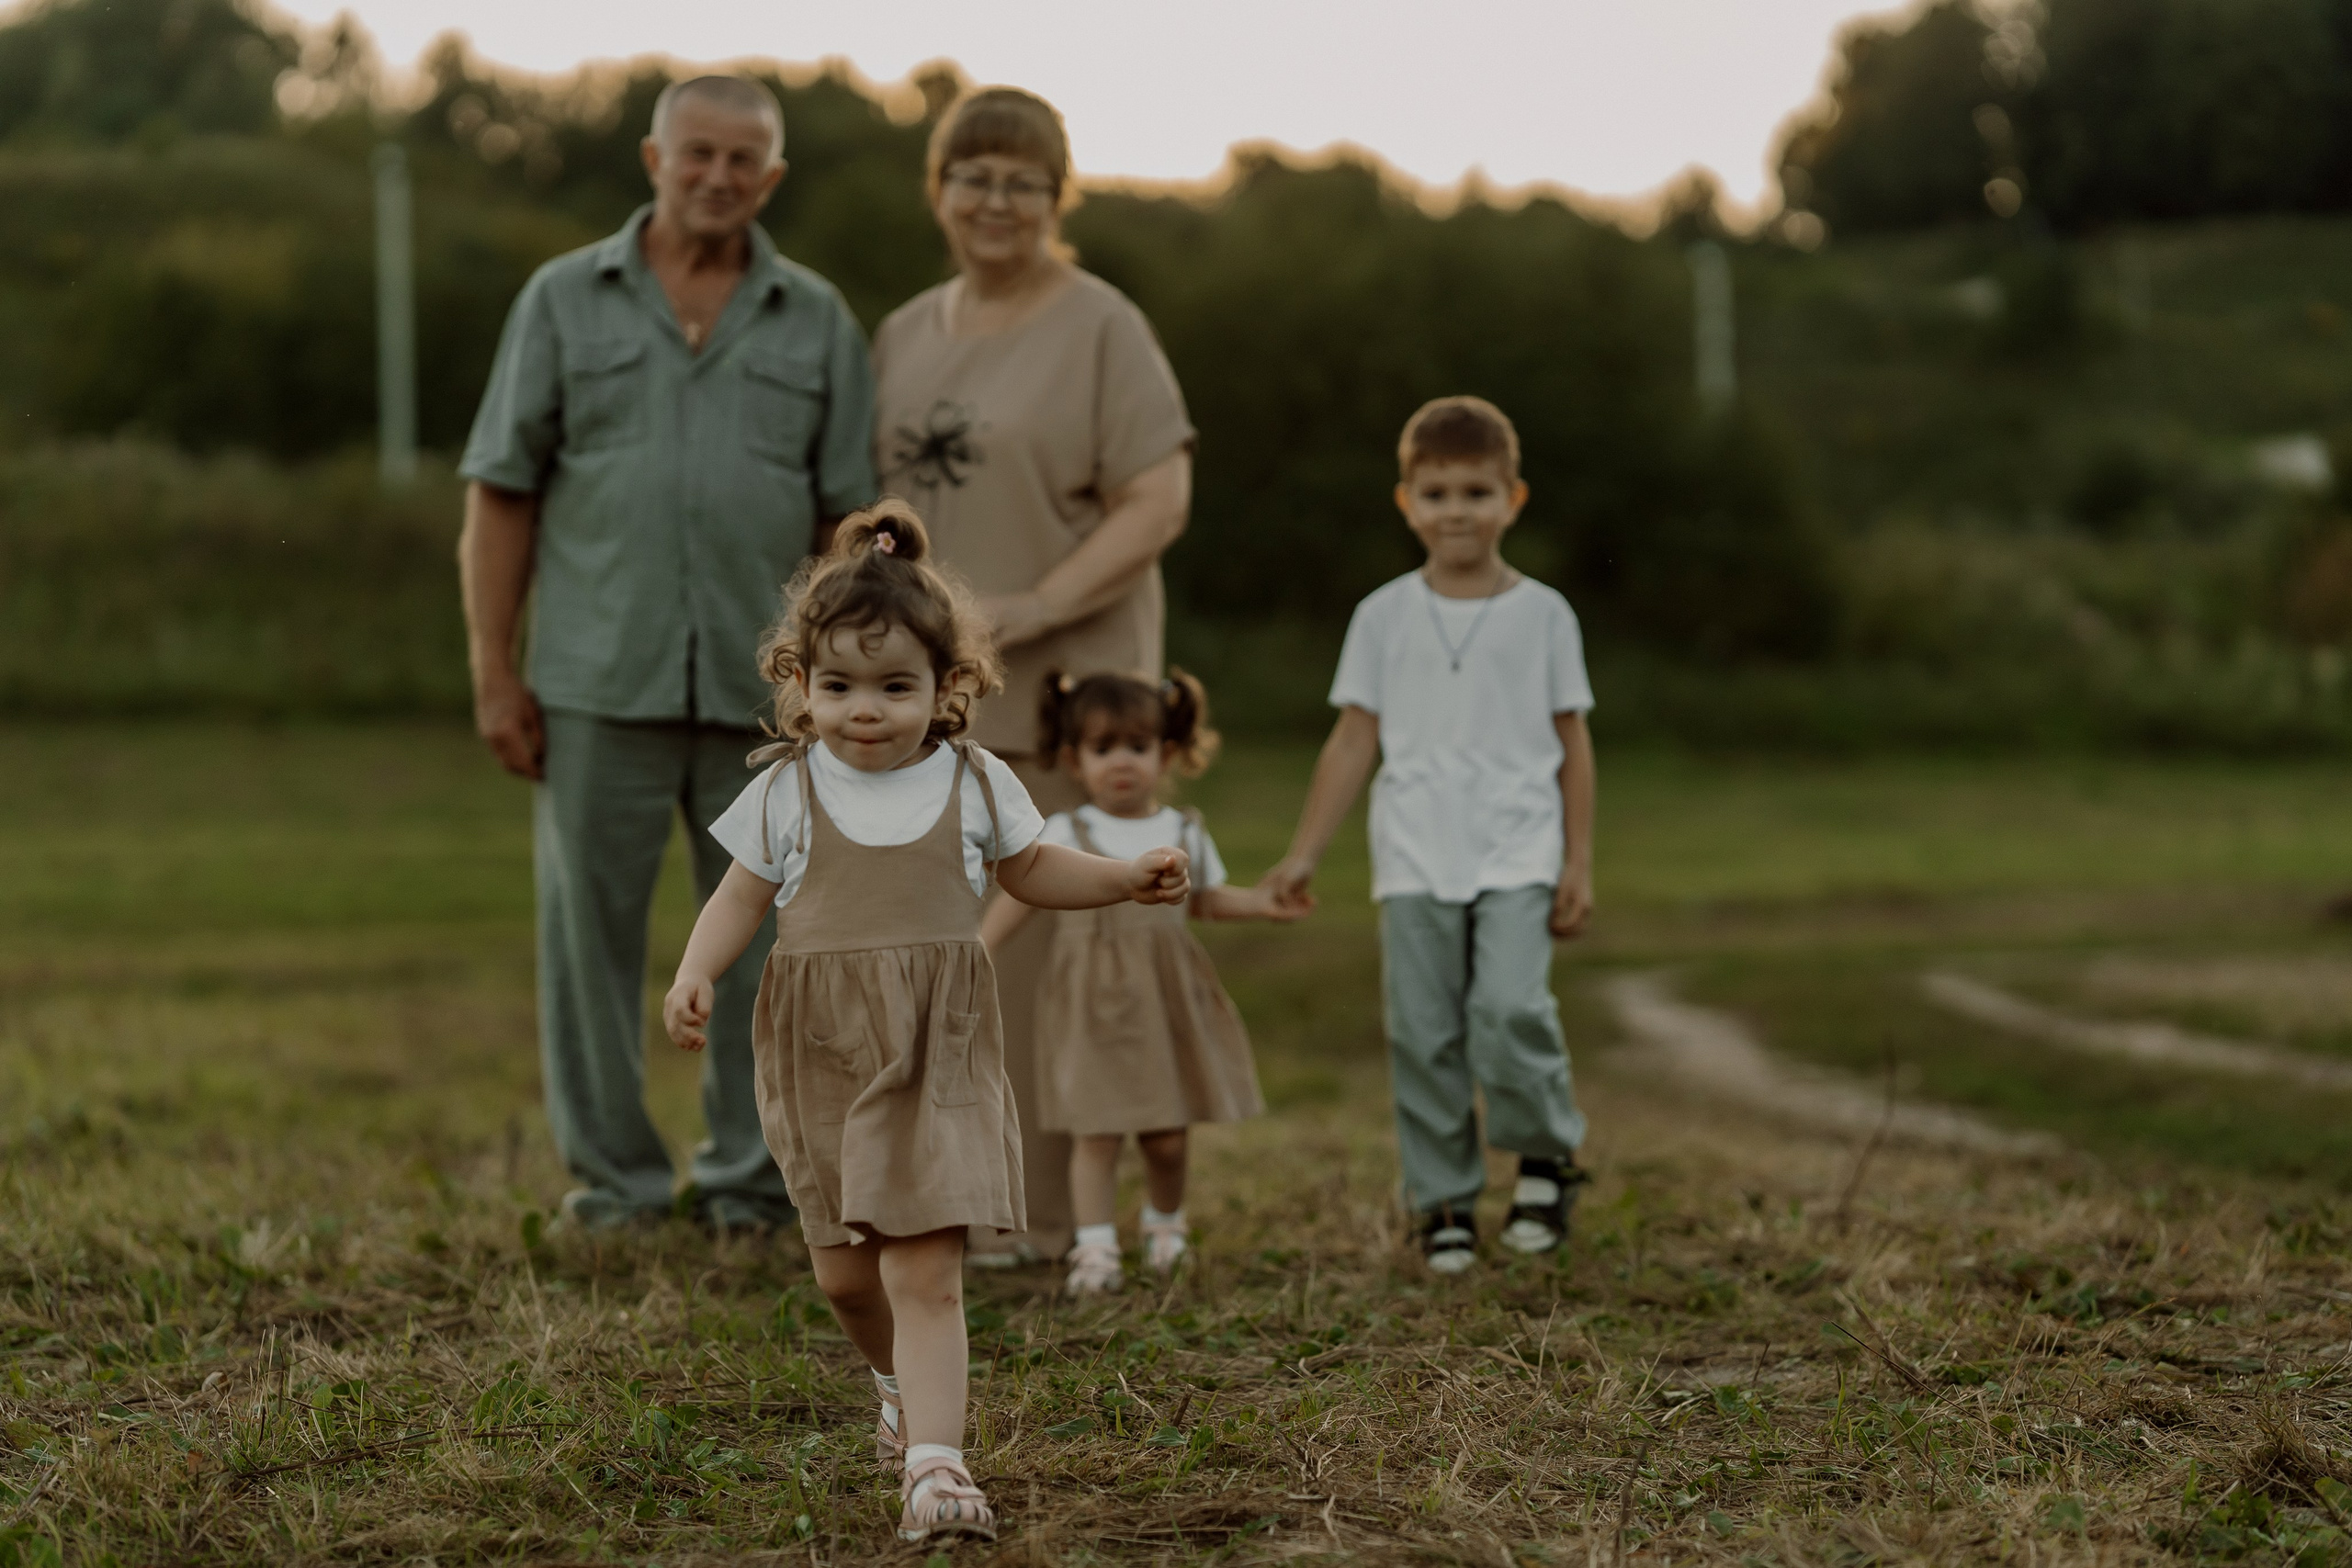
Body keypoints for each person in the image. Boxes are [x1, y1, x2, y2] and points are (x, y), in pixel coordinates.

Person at [661, 502, 1191, 1541]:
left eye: (895, 687)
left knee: (924, 1268)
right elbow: (737, 899)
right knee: (847, 1276)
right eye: (839, 686)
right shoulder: (784, 791)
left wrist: (1125, 875)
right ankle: (894, 1385)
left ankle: (939, 1470)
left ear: (947, 688)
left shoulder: (972, 780)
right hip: (819, 1052)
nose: (866, 710)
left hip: (936, 1045)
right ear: (799, 684)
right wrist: (693, 971)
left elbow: (1033, 870)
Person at [458, 76, 877, 1234]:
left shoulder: (817, 320)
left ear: (772, 177)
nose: (718, 176)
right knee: (586, 947)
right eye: (698, 153)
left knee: (763, 948)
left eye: (744, 159)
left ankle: (750, 1184)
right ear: (654, 158)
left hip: (767, 704)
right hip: (591, 682)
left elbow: (844, 526)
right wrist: (496, 670)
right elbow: (501, 497)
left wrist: (834, 695)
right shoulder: (560, 302)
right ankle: (617, 1190)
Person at [873, 85, 1196, 1268]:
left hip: (1071, 695)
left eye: (1021, 179)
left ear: (1056, 197)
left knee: (1062, 965)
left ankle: (1066, 1222)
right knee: (955, 954)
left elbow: (1160, 498)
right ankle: (963, 1205)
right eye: (973, 175)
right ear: (940, 190)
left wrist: (1039, 607)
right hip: (933, 705)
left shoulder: (1102, 324)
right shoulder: (905, 331)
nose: (995, 200)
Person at [1262, 396, 1598, 1276]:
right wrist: (1304, 851)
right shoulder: (1382, 615)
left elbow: (1573, 744)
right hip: (1414, 854)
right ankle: (1444, 1201)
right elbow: (1353, 739)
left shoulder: (1546, 616)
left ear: (1513, 499)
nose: (1458, 510)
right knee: (1424, 1030)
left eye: (1477, 492)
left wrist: (1578, 861)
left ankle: (1545, 1158)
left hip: (1519, 849)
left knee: (1510, 1008)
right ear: (1407, 501)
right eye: (1439, 492)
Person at [978, 670, 1301, 1298]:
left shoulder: (1183, 830)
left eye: (1137, 746)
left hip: (1163, 995)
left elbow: (1204, 900)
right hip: (1089, 1001)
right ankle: (1095, 1243)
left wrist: (1262, 904)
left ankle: (1165, 1226)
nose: (1120, 762)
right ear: (1075, 759)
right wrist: (980, 947)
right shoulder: (1066, 833)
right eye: (1103, 749)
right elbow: (1022, 894)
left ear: (1167, 754)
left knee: (1166, 1132)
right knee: (1095, 1128)